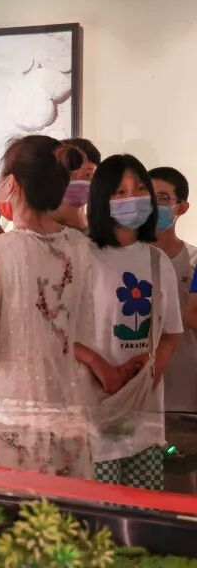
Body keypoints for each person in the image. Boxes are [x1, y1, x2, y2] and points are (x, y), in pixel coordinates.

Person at [0, 136, 128, 479]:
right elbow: (83, 331)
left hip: (8, 405)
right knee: (60, 507)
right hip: (67, 402)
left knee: (5, 506)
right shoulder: (80, 246)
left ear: (11, 183)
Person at [89, 154, 181, 490]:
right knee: (98, 512)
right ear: (102, 198)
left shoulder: (158, 261)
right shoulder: (82, 255)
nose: (133, 197)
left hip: (145, 418)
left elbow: (170, 334)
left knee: (143, 512)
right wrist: (100, 368)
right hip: (94, 411)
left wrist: (147, 380)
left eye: (140, 188)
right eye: (120, 191)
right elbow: (61, 333)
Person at [148, 167, 197, 414]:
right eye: (148, 197)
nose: (153, 206)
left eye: (163, 198)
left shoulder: (195, 260)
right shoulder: (122, 260)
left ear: (182, 207)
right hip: (136, 393)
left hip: (186, 393)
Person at [50, 141, 91, 232]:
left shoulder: (98, 228)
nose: (79, 178)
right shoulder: (40, 230)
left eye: (88, 174)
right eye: (71, 173)